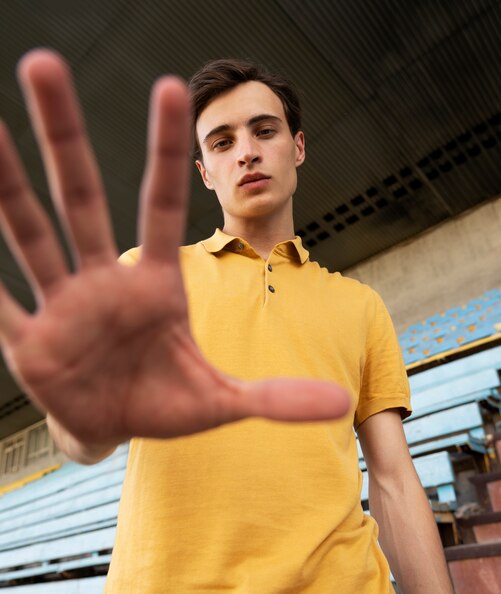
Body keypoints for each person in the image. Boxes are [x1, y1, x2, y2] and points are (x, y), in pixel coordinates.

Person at [0, 50, 453, 593]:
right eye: (222, 142)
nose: (247, 153)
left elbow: (394, 479)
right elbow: (81, 439)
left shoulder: (360, 306)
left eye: (265, 131)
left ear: (298, 147)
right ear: (204, 172)